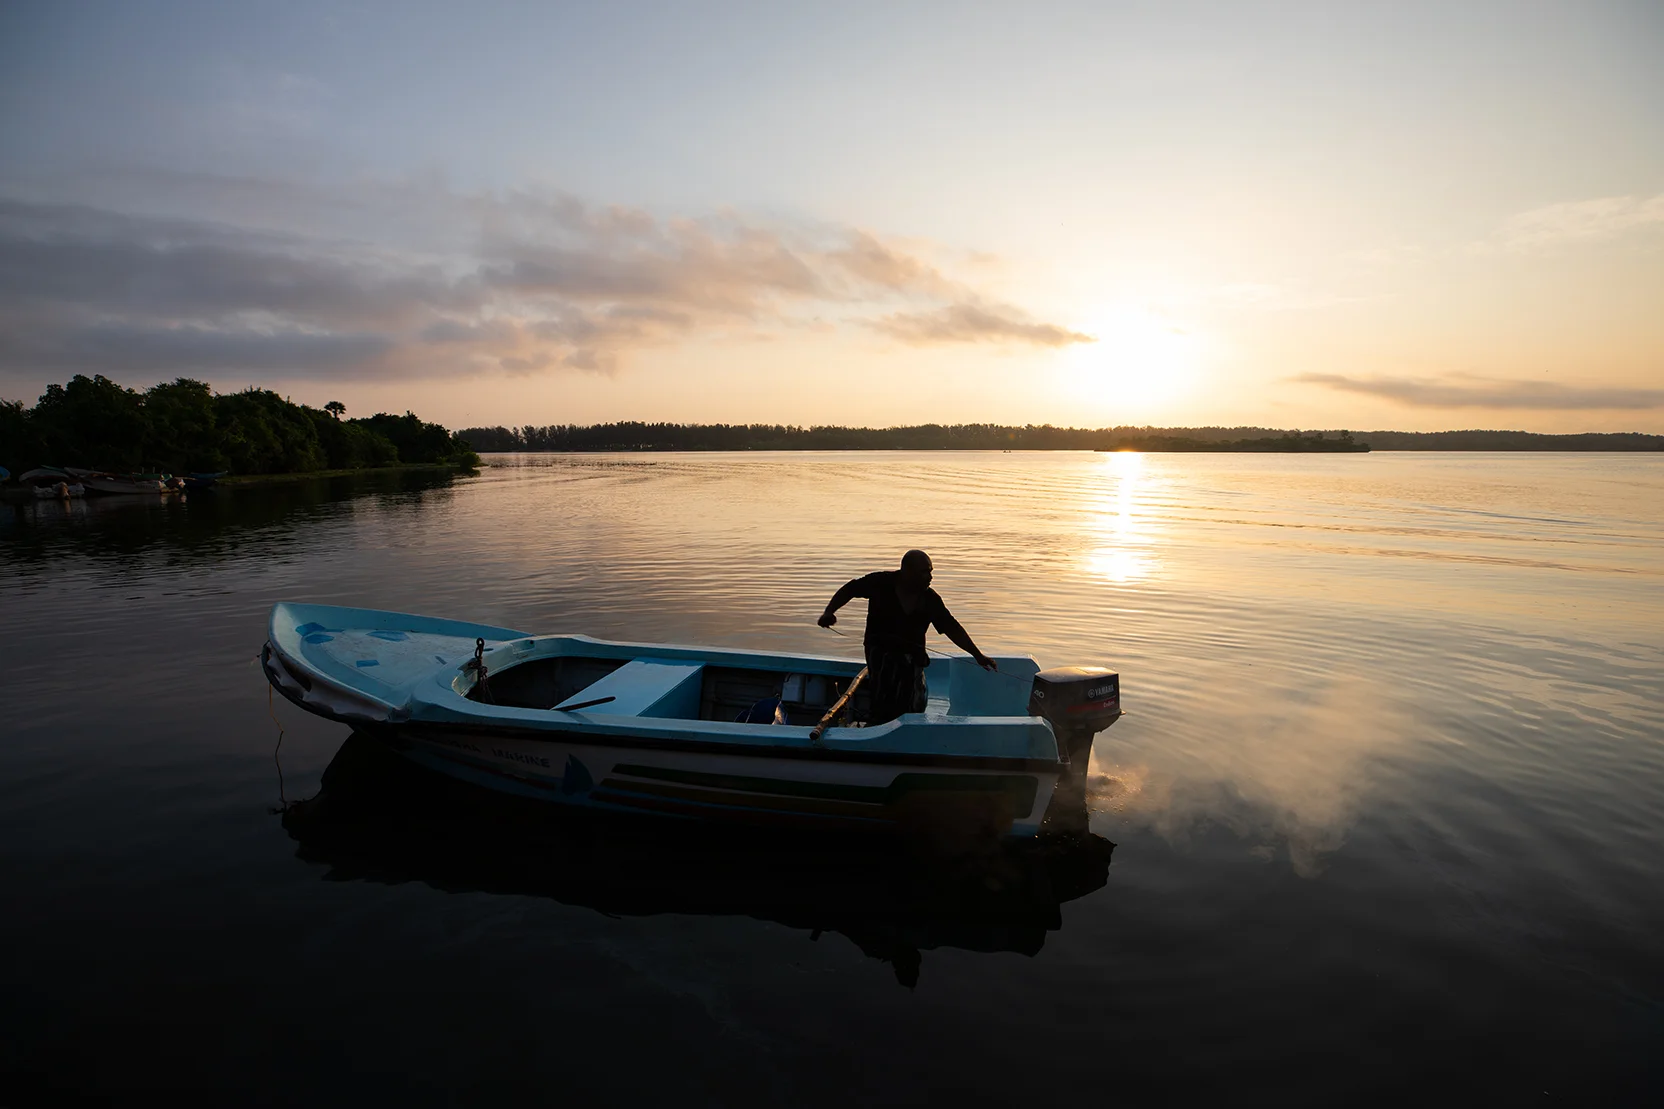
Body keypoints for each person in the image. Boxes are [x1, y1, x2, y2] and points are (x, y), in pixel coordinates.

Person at [818, 550, 997, 726]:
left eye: (931, 571)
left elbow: (952, 628)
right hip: (881, 654)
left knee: (913, 701)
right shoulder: (881, 583)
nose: (930, 577)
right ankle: (878, 725)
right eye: (924, 571)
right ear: (907, 572)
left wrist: (978, 655)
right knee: (884, 697)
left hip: (913, 659)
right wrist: (829, 611)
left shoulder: (930, 599)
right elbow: (850, 589)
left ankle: (907, 727)